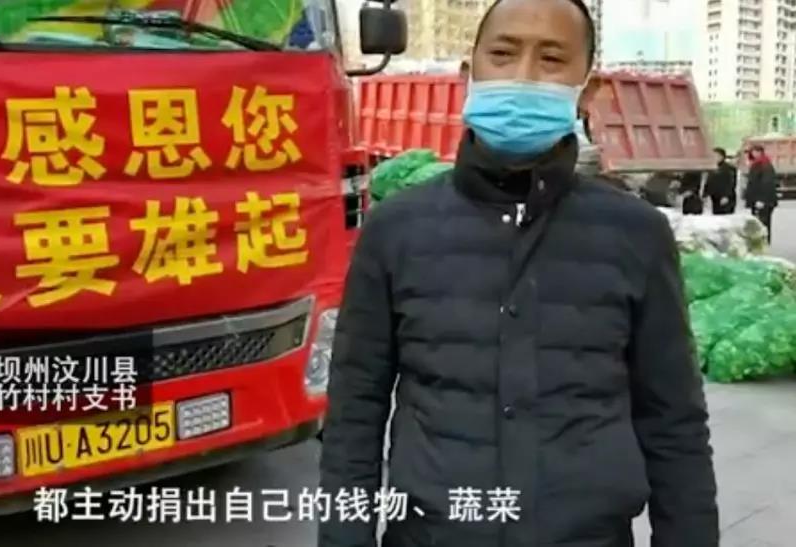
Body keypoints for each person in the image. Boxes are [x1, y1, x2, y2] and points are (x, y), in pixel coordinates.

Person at [317, 0, 719, 546]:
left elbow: (674, 424)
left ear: (589, 91)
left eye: (551, 59)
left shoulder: (636, 235)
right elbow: (353, 418)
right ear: (470, 73)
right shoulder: (396, 230)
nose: (522, 76)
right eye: (503, 54)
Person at [744, 145, 778, 243]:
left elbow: (767, 183)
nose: (752, 154)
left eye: (754, 152)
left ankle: (764, 243)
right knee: (758, 223)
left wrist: (762, 200)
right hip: (757, 200)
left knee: (763, 224)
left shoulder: (764, 164)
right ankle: (760, 243)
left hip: (763, 201)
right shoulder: (757, 163)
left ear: (760, 152)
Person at [704, 147, 737, 214]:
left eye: (715, 156)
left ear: (722, 157)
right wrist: (705, 194)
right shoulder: (712, 167)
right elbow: (709, 182)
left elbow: (731, 183)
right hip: (715, 198)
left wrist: (726, 196)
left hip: (725, 198)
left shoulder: (729, 168)